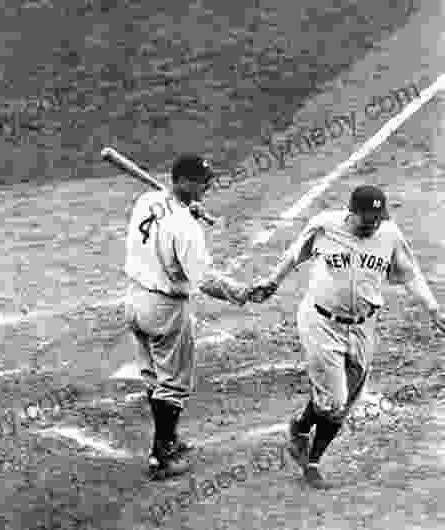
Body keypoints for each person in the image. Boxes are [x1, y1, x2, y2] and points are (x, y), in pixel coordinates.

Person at [248, 184, 445, 489]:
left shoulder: (389, 235)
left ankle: (300, 428)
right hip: (321, 322)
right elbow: (293, 255)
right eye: (369, 219)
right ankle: (312, 463)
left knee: (345, 400)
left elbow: (409, 274)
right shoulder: (325, 225)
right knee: (334, 400)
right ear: (351, 213)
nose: (375, 224)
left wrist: (433, 309)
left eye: (379, 218)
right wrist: (273, 281)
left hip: (363, 327)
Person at [123, 153, 249, 480]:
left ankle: (169, 440)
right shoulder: (186, 227)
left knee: (153, 376)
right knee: (174, 384)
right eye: (200, 181)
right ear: (181, 181)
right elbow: (204, 280)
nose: (208, 185)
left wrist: (187, 209)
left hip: (135, 301)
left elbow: (167, 212)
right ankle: (161, 454)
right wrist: (241, 293)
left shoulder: (147, 199)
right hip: (165, 309)